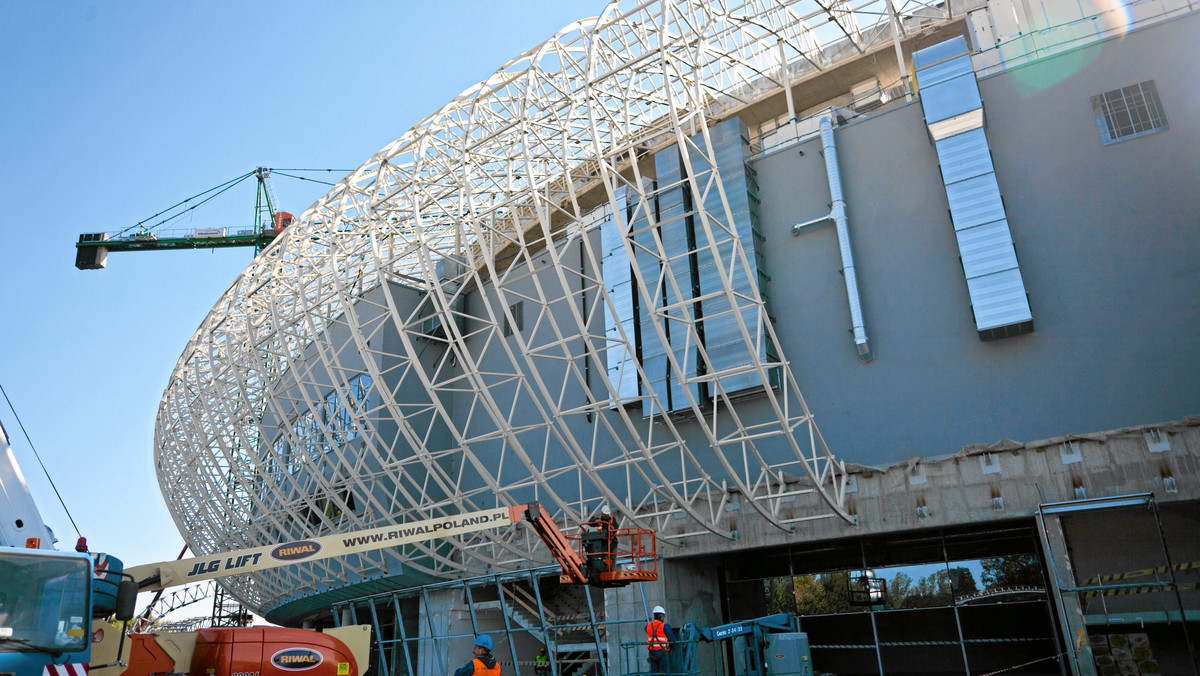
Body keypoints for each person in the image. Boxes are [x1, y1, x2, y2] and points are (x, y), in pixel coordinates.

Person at [646, 605, 675, 676]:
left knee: (654, 673)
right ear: (662, 616)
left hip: (652, 653)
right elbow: (673, 640)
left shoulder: (648, 626)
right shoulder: (665, 626)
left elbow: (647, 631)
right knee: (664, 673)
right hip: (662, 653)